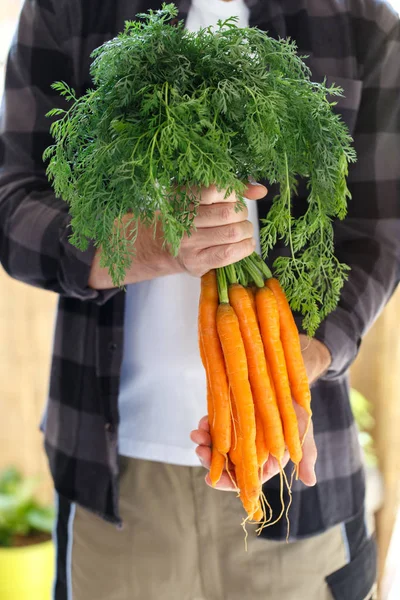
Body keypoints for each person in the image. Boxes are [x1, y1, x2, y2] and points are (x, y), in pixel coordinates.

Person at [0, 0, 399, 598]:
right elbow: (13, 207)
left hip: (293, 469)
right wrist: (149, 243)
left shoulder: (360, 19)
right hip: (116, 481)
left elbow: (380, 235)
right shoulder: (70, 8)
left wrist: (294, 368)